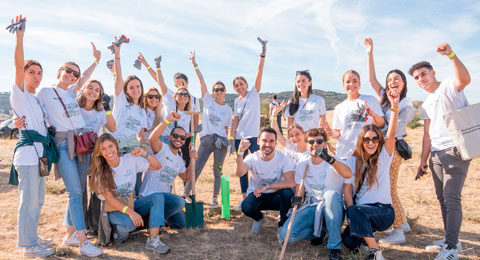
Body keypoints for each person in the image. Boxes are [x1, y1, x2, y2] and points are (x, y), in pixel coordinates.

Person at [35, 42, 103, 256]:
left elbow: (85, 78)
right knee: (74, 192)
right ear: (60, 71)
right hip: (63, 144)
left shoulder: (72, 92)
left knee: (79, 190)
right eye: (68, 70)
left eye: (75, 73)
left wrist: (96, 61)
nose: (72, 75)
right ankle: (83, 242)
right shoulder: (46, 92)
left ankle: (70, 234)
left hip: (82, 143)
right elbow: (36, 116)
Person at [409, 43, 471, 260]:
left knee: (452, 198)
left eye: (423, 74)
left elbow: (464, 80)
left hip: (455, 151)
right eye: (416, 77)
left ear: (433, 72)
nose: (420, 79)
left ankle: (452, 249)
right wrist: (423, 161)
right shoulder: (426, 104)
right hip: (436, 154)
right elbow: (427, 135)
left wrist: (452, 55)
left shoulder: (447, 87)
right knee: (442, 198)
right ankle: (451, 239)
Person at [8, 15, 57, 258]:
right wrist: (20, 37)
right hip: (27, 155)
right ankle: (28, 248)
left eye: (39, 72)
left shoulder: (37, 101)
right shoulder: (20, 95)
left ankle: (33, 237)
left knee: (38, 201)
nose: (36, 76)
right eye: (32, 72)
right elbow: (17, 65)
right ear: (24, 74)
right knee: (28, 202)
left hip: (42, 155)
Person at [364, 38, 416, 244]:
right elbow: (371, 80)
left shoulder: (406, 104)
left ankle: (398, 231)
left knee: (389, 188)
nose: (392, 82)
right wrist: (370, 54)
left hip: (392, 148)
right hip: (382, 147)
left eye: (397, 79)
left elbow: (395, 131)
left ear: (404, 83)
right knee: (389, 185)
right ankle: (403, 223)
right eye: (390, 79)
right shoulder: (385, 97)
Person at [88, 134, 175, 254]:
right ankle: (118, 234)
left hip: (131, 204)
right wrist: (130, 212)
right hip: (114, 210)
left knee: (158, 197)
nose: (108, 151)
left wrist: (145, 154)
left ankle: (153, 240)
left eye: (110, 146)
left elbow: (157, 166)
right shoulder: (100, 172)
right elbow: (110, 199)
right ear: (100, 152)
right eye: (103, 149)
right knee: (128, 224)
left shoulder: (129, 159)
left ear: (117, 147)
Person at [341, 89, 400, 260]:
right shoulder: (352, 161)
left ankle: (376, 253)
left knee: (356, 211)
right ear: (361, 141)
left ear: (379, 141)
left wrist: (394, 109)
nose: (371, 142)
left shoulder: (383, 157)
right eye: (366, 139)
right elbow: (347, 190)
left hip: (383, 212)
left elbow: (391, 134)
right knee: (349, 242)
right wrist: (351, 215)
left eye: (375, 139)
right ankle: (367, 239)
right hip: (361, 213)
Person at [279, 128, 352, 260]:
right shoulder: (303, 165)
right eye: (311, 141)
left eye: (319, 141)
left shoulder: (334, 161)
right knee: (287, 235)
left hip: (332, 207)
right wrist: (297, 199)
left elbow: (348, 173)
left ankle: (334, 247)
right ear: (306, 144)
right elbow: (299, 190)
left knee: (329, 195)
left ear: (325, 143)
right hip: (313, 206)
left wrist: (329, 159)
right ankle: (319, 232)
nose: (315, 144)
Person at [183, 51, 233, 208]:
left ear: (224, 92)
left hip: (220, 142)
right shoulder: (208, 100)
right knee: (196, 168)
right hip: (206, 140)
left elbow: (227, 128)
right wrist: (194, 63)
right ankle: (185, 194)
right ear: (213, 92)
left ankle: (214, 198)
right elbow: (201, 80)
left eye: (221, 89)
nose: (218, 91)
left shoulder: (227, 109)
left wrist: (227, 141)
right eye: (216, 89)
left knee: (217, 170)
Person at [138, 52, 194, 188]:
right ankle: (144, 192)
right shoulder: (169, 99)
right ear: (175, 95)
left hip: (175, 142)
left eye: (185, 93)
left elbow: (189, 132)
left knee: (168, 169)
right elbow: (160, 81)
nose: (183, 95)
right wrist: (157, 66)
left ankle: (167, 191)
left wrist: (187, 138)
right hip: (160, 139)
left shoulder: (188, 114)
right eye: (180, 93)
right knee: (152, 167)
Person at [139, 111, 197, 229]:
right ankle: (153, 222)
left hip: (164, 200)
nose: (178, 139)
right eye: (175, 136)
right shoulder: (161, 148)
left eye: (182, 137)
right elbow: (152, 138)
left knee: (182, 224)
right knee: (180, 202)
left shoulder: (180, 160)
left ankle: (158, 219)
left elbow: (186, 177)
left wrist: (192, 160)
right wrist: (167, 120)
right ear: (170, 137)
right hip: (148, 198)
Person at [236, 127, 295, 234]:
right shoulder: (252, 158)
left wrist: (267, 187)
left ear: (276, 143)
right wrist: (240, 153)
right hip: (258, 195)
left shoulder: (283, 157)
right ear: (258, 141)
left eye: (271, 141)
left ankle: (282, 226)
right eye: (264, 140)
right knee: (246, 207)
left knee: (287, 194)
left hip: (277, 196)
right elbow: (240, 173)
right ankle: (258, 218)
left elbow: (290, 182)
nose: (268, 144)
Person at [230, 37, 267, 204]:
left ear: (246, 84)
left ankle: (261, 194)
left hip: (253, 137)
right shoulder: (236, 101)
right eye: (236, 85)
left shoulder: (254, 94)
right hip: (240, 138)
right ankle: (245, 198)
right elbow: (235, 120)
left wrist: (262, 54)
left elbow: (259, 72)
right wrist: (232, 139)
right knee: (242, 169)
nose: (240, 87)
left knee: (259, 166)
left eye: (241, 84)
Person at [77, 79, 116, 235]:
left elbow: (112, 128)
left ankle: (93, 225)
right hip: (77, 152)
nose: (93, 91)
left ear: (100, 94)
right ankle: (80, 225)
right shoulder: (75, 107)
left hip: (94, 153)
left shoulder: (100, 111)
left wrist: (107, 108)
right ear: (84, 89)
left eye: (97, 90)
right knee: (79, 191)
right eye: (90, 88)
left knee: (95, 189)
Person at [111, 40, 148, 196]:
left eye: (138, 86)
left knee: (136, 179)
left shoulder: (142, 111)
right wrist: (117, 55)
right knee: (117, 182)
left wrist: (141, 147)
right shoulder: (121, 102)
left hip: (132, 149)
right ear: (126, 90)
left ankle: (137, 207)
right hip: (116, 147)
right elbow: (118, 78)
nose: (135, 90)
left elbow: (140, 134)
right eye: (131, 87)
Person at [332, 70, 385, 158]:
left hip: (367, 153)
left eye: (355, 81)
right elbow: (337, 132)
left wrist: (372, 114)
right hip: (344, 153)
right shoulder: (339, 107)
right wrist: (330, 133)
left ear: (359, 84)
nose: (351, 84)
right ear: (343, 85)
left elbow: (381, 124)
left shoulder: (370, 100)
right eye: (348, 82)